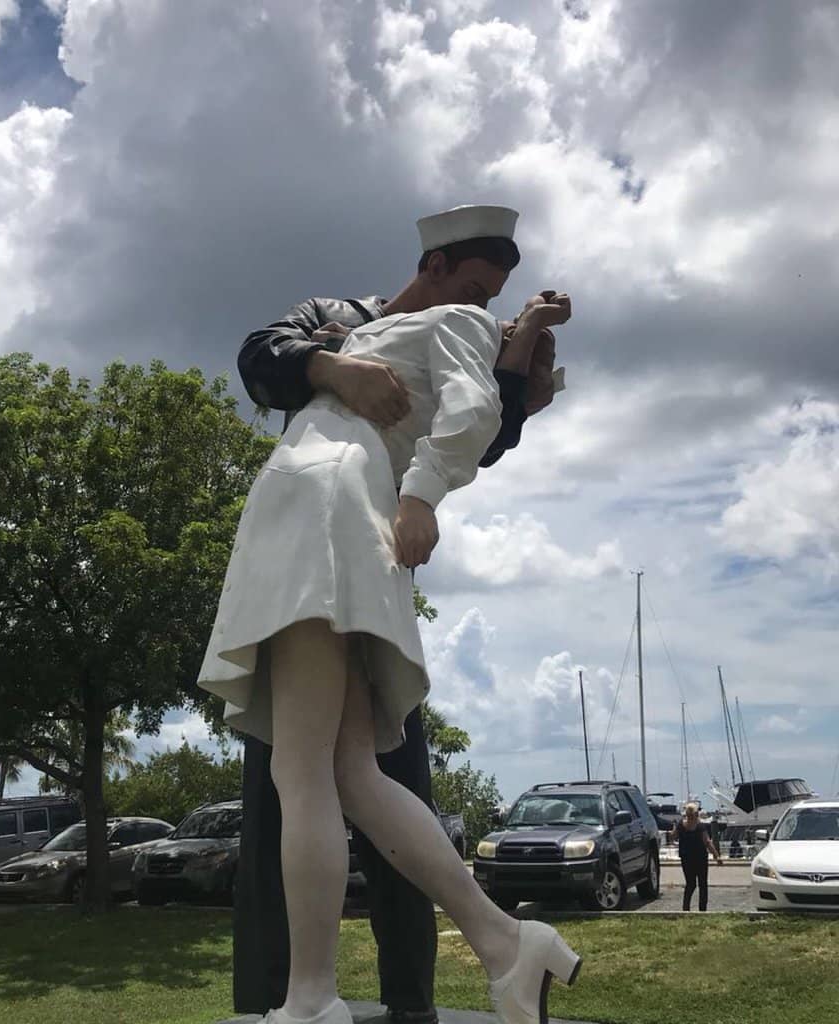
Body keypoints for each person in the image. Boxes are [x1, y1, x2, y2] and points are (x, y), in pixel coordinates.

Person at [199, 205, 581, 1024]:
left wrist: (422, 492)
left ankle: (310, 999)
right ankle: (502, 942)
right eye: (477, 288)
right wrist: (352, 390)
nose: (485, 308)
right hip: (338, 503)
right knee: (345, 773)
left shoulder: (450, 324)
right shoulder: (351, 323)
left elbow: (483, 417)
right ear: (436, 264)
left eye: (497, 302)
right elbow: (264, 355)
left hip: (322, 502)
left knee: (302, 769)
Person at [669, 802, 722, 912]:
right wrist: (717, 856)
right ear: (696, 814)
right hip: (700, 859)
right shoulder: (700, 827)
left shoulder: (681, 825)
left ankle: (686, 908)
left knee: (690, 884)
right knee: (702, 885)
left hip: (686, 859)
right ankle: (702, 910)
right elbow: (707, 842)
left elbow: (673, 837)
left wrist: (674, 828)